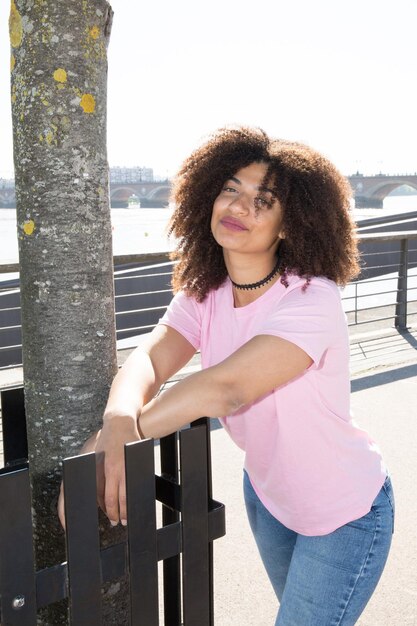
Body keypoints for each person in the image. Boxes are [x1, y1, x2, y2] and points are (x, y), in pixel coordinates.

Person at [59, 126, 394, 625]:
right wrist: (116, 420)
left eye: (264, 200)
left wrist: (101, 450)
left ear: (289, 224)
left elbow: (226, 388)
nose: (238, 207)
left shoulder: (310, 299)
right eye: (231, 188)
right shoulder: (205, 292)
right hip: (268, 497)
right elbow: (149, 360)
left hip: (343, 515)